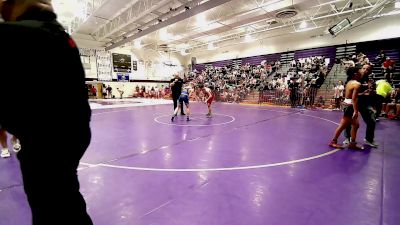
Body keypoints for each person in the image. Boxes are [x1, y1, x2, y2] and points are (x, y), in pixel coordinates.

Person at [0, 1, 93, 224]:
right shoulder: (57, 35)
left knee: (52, 209)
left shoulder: (19, 35)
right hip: (70, 137)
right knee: (66, 201)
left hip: (47, 144)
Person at [329, 65, 365, 150]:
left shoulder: (350, 82)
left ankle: (352, 143)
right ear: (356, 74)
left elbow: (350, 95)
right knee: (343, 125)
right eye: (361, 70)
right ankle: (333, 142)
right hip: (350, 106)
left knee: (356, 125)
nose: (362, 72)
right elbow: (354, 98)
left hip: (348, 104)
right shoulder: (357, 84)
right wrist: (356, 111)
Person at [343, 64, 378, 148]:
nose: (365, 70)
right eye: (364, 68)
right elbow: (349, 94)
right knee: (348, 121)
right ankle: (348, 138)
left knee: (372, 119)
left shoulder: (369, 80)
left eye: (368, 69)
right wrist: (363, 93)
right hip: (353, 102)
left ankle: (369, 139)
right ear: (360, 69)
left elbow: (371, 92)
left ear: (370, 71)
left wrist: (372, 92)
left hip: (364, 102)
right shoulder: (353, 78)